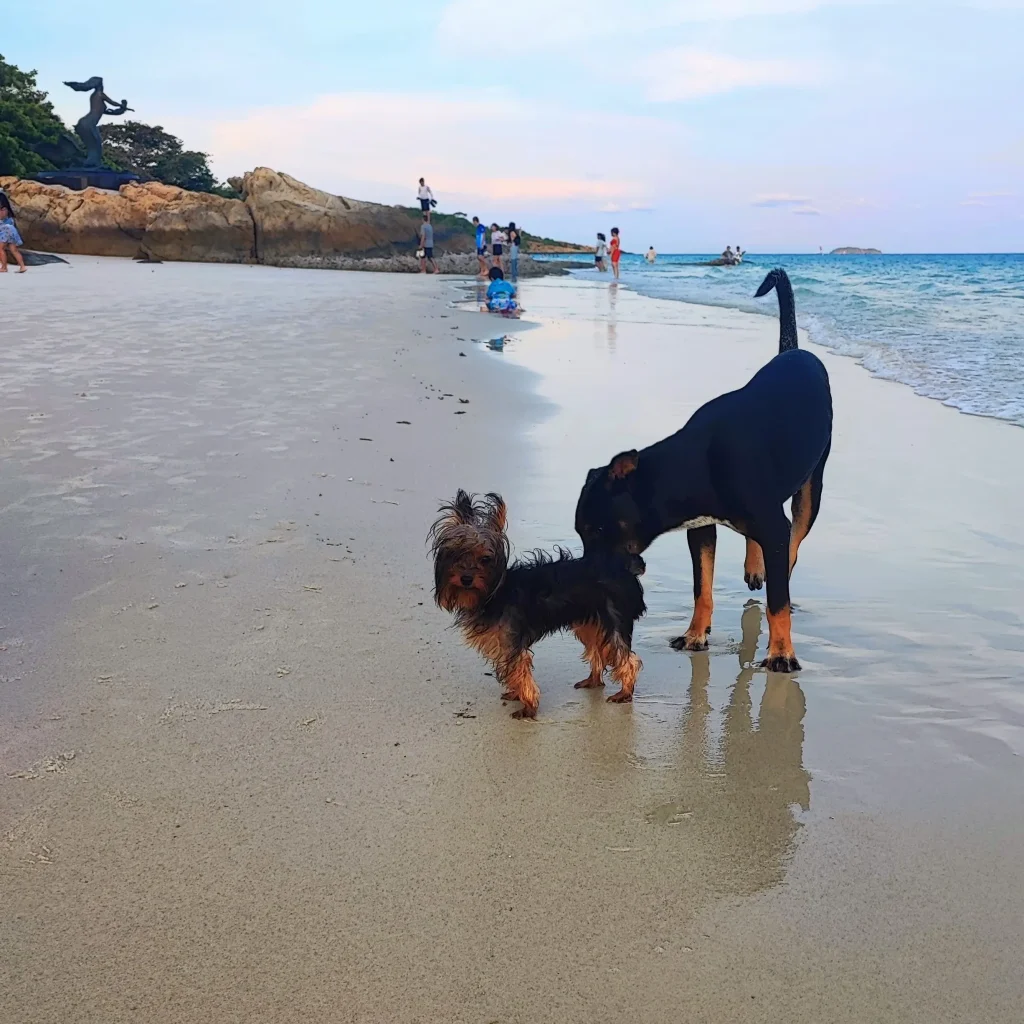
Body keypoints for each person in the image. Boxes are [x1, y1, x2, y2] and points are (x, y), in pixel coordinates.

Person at [0, 197, 27, 273]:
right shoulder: (7, 210)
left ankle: (4, 267)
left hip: (6, 231)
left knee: (0, 249)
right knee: (14, 250)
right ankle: (22, 266)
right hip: (11, 231)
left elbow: (1, 218)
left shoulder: (3, 209)